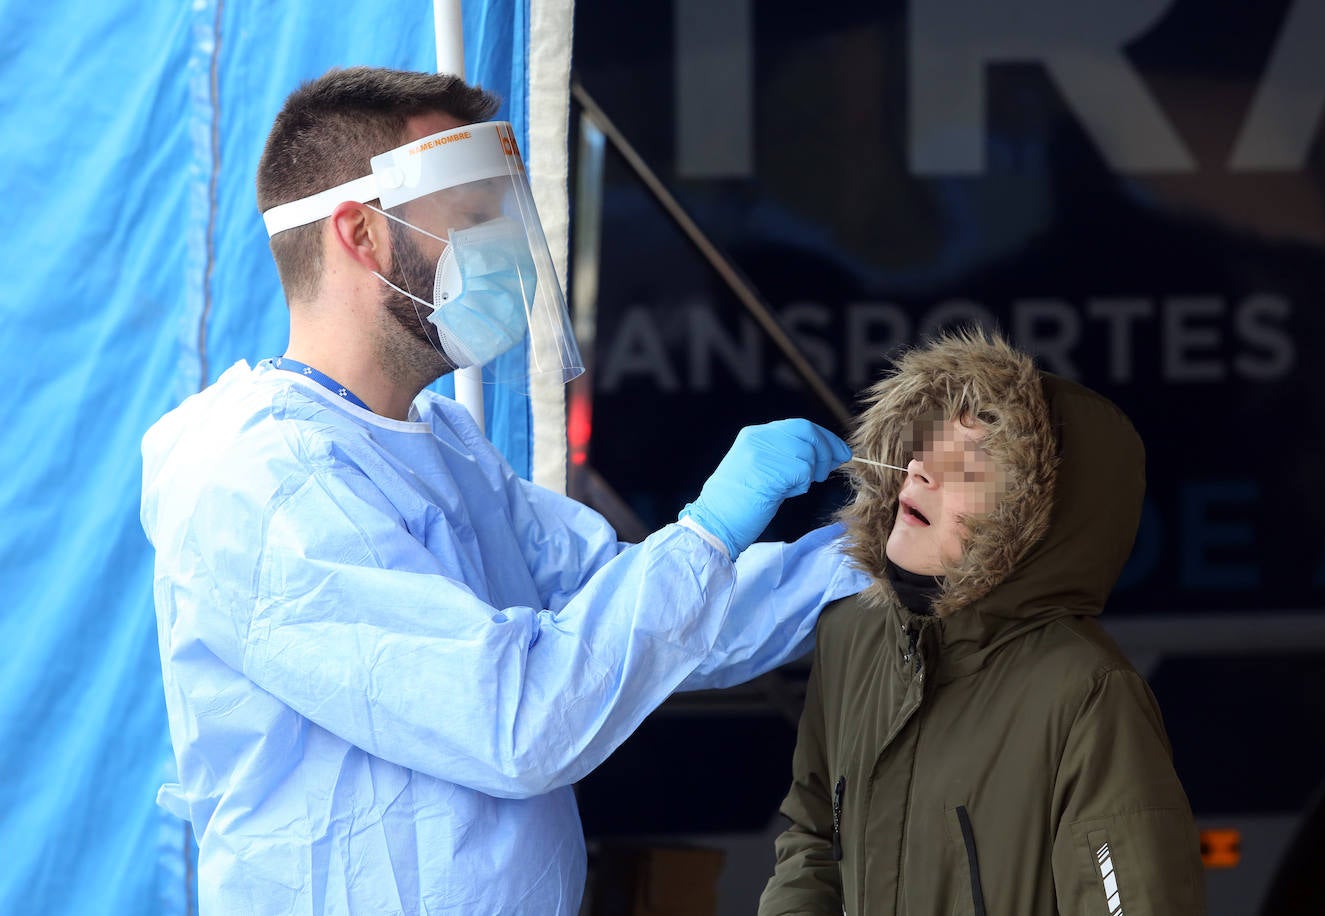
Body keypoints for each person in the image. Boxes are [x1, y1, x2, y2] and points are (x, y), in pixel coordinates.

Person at [140, 66, 870, 915]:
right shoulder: (263, 482)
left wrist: (870, 555)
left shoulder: (442, 446)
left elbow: (647, 620)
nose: (510, 250)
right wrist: (707, 529)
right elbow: (519, 721)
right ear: (359, 232)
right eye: (476, 217)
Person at [759, 329, 1206, 915]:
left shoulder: (1087, 693)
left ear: (1034, 523)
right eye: (926, 442)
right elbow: (813, 835)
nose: (919, 469)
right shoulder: (851, 634)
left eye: (968, 465)